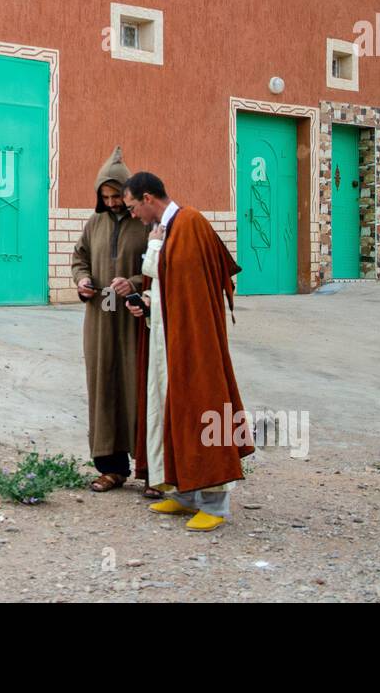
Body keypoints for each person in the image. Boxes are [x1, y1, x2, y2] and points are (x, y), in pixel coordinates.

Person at [123, 171, 254, 531]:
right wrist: (147, 302)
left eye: (134, 207)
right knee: (170, 408)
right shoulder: (167, 230)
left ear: (148, 198)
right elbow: (168, 283)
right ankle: (182, 493)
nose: (133, 215)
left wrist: (152, 249)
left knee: (201, 405)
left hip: (194, 340)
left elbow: (187, 283)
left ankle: (214, 503)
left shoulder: (190, 223)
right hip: (167, 337)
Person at [69, 146, 150, 493]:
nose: (113, 202)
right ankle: (111, 467)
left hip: (133, 320)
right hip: (100, 318)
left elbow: (155, 269)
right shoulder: (94, 222)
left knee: (137, 387)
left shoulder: (144, 223)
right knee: (103, 386)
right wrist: (82, 280)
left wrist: (132, 283)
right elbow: (79, 257)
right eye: (106, 196)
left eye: (117, 195)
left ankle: (149, 469)